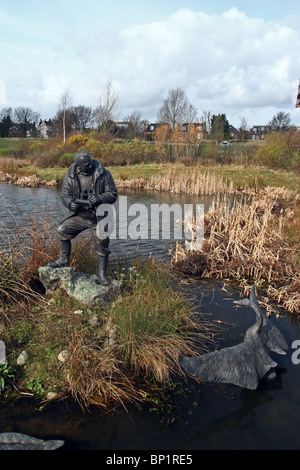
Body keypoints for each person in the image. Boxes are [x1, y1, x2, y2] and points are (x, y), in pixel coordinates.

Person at [48, 150, 118, 286]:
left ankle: (101, 275)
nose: (90, 166)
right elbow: (65, 195)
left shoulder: (103, 173)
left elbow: (113, 194)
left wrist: (99, 198)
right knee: (62, 230)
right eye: (87, 165)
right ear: (78, 165)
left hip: (98, 217)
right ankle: (63, 260)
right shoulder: (70, 175)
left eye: (91, 163)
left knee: (102, 244)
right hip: (80, 215)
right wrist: (70, 203)